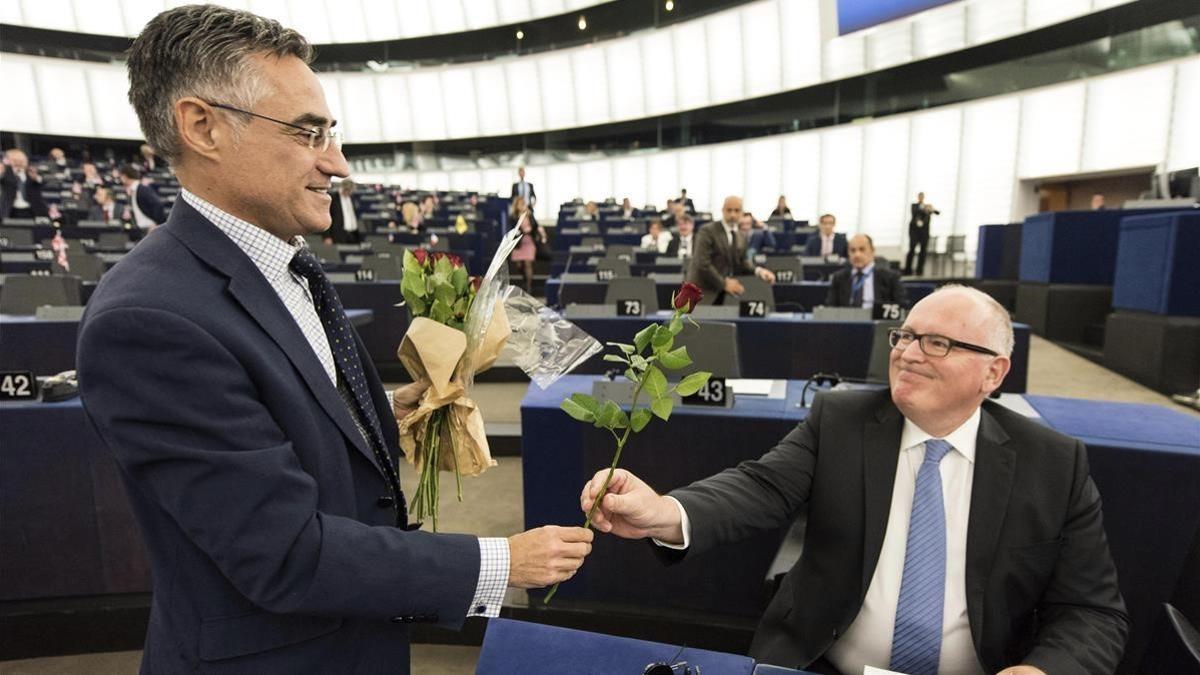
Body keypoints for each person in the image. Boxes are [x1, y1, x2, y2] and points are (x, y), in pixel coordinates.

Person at [76, 7, 591, 673]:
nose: (339, 164)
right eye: (307, 133)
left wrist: (374, 417)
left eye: (332, 134)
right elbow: (285, 552)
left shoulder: (285, 263)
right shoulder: (147, 322)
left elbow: (280, 409)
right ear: (202, 126)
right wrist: (503, 560)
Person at [581, 285, 1129, 675]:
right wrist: (666, 513)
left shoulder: (1054, 464)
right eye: (905, 336)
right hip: (823, 661)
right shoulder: (840, 420)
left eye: (937, 343)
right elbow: (761, 487)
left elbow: (1092, 613)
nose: (908, 354)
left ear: (994, 371)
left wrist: (1042, 671)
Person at [688, 195, 776, 303]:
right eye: (729, 210)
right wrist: (725, 284)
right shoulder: (707, 231)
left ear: (742, 213)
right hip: (702, 294)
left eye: (736, 210)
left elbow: (742, 263)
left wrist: (759, 271)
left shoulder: (741, 236)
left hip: (726, 295)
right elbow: (702, 263)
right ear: (722, 210)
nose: (732, 214)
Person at [825, 234, 909, 309]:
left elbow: (902, 308)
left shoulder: (891, 278)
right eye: (852, 250)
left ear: (872, 251)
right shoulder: (839, 278)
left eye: (862, 249)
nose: (857, 255)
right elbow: (830, 309)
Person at [1, 149, 50, 221]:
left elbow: (41, 182)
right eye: (14, 160)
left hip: (31, 209)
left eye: (20, 160)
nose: (18, 163)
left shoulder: (30, 171)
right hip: (10, 209)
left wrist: (35, 177)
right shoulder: (6, 173)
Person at [117, 163, 167, 231]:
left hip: (150, 228)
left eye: (121, 176)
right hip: (140, 229)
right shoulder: (132, 191)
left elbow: (158, 204)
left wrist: (156, 224)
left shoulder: (142, 189)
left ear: (125, 176)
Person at [510, 195, 543, 292]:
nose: (522, 206)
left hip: (529, 241)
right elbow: (512, 230)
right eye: (520, 204)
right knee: (519, 265)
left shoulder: (530, 215)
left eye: (523, 204)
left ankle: (529, 286)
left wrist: (531, 229)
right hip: (518, 243)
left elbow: (535, 226)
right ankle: (525, 279)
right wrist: (522, 230)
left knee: (528, 263)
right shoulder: (513, 217)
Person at [905, 192, 940, 276]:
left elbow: (937, 213)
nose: (921, 198)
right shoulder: (914, 205)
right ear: (918, 197)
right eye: (920, 196)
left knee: (923, 252)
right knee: (912, 250)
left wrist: (930, 209)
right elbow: (915, 212)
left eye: (922, 197)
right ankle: (908, 271)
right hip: (914, 231)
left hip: (924, 232)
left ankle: (919, 271)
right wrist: (924, 208)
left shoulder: (928, 207)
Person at [327, 178, 361, 244]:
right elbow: (327, 217)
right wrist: (327, 236)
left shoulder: (352, 198)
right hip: (338, 234)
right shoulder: (333, 197)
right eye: (349, 191)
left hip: (353, 234)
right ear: (344, 188)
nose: (350, 193)